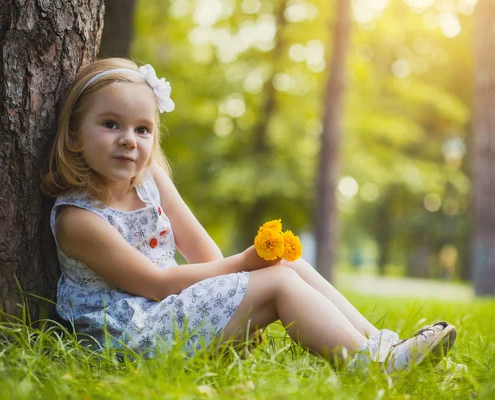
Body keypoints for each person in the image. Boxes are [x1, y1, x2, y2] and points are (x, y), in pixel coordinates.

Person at [41, 58, 457, 373]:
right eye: (111, 124)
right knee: (274, 280)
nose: (129, 141)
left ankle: (385, 346)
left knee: (285, 262)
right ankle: (373, 368)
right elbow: (154, 283)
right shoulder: (78, 219)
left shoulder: (150, 179)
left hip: (169, 313)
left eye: (142, 129)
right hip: (130, 337)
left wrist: (236, 302)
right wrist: (243, 270)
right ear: (75, 133)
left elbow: (202, 250)